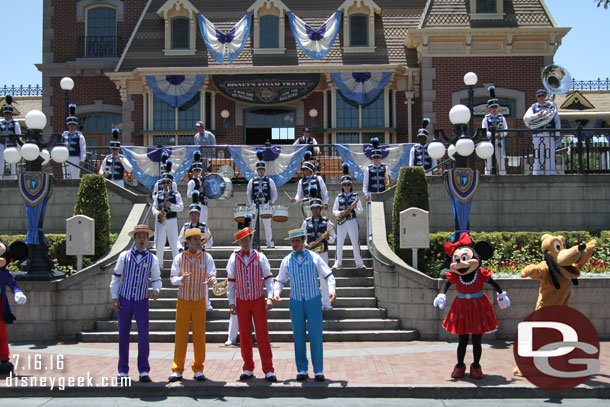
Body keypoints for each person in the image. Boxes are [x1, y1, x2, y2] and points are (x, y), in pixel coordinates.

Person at [273, 229, 336, 382]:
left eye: (297, 241)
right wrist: (276, 292)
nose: (294, 244)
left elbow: (328, 274)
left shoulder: (314, 257)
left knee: (315, 334)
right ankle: (302, 369)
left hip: (313, 299)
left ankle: (318, 370)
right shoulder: (287, 260)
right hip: (295, 301)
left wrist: (332, 290)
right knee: (298, 335)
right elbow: (280, 279)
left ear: (303, 241)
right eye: (292, 241)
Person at [109, 225, 161, 382]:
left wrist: (156, 290)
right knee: (123, 334)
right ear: (134, 238)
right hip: (125, 299)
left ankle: (144, 370)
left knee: (143, 335)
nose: (142, 239)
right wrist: (114, 297)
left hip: (141, 300)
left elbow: (156, 278)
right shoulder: (124, 256)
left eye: (145, 236)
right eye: (139, 236)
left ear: (148, 238)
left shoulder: (153, 258)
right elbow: (116, 277)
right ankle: (122, 370)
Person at [227, 222, 277, 382]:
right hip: (241, 300)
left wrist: (270, 296)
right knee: (245, 336)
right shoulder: (234, 258)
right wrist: (231, 302)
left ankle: (268, 369)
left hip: (257, 299)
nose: (245, 242)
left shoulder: (260, 256)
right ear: (239, 243)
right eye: (242, 240)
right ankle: (248, 367)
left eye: (247, 239)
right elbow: (231, 282)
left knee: (262, 334)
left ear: (251, 239)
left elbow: (269, 279)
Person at [169, 228, 216, 382]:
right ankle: (177, 369)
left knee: (199, 334)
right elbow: (172, 278)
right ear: (188, 241)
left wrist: (211, 281)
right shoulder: (179, 258)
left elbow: (212, 275)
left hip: (199, 300)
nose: (198, 241)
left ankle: (198, 368)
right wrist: (181, 279)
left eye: (199, 239)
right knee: (181, 334)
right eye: (195, 239)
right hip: (183, 299)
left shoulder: (207, 257)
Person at [301, 187, 336, 310]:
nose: (315, 210)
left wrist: (327, 238)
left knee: (323, 276)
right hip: (310, 252)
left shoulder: (326, 222)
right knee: (309, 278)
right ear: (311, 210)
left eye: (317, 208)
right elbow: (302, 236)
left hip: (322, 252)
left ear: (320, 209)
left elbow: (333, 239)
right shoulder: (306, 222)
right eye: (313, 208)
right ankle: (310, 303)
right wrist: (304, 243)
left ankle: (326, 303)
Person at [178, 203, 214, 311]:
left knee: (203, 280)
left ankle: (206, 304)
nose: (194, 215)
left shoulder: (203, 226)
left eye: (196, 213)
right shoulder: (185, 227)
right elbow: (179, 240)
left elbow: (210, 242)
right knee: (187, 279)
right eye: (192, 213)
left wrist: (204, 246)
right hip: (187, 256)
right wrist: (181, 250)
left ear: (199, 215)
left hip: (200, 256)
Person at [0, 241, 28, 375]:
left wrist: (18, 292)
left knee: (2, 335)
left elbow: (13, 284)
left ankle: (3, 359)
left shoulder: (4, 274)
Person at [333, 164, 365, 272]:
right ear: (342, 186)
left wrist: (355, 208)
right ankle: (338, 262)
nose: (346, 186)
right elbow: (334, 211)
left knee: (355, 241)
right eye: (345, 184)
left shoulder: (355, 196)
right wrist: (340, 213)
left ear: (351, 185)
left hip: (352, 220)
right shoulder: (338, 197)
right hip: (342, 221)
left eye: (348, 184)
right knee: (339, 242)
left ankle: (359, 263)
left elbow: (360, 211)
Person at [523, 89, 561, 175]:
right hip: (538, 133)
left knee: (550, 153)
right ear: (536, 97)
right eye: (539, 96)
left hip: (549, 133)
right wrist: (537, 115)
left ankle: (552, 172)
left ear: (545, 96)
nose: (541, 98)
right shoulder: (533, 107)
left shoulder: (551, 106)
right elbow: (526, 118)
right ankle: (537, 172)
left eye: (543, 96)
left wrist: (557, 133)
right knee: (538, 153)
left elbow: (557, 120)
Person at [151, 173, 183, 269]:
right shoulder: (159, 194)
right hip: (161, 220)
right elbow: (154, 207)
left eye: (168, 182)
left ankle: (177, 266)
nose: (166, 184)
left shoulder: (176, 194)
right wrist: (157, 213)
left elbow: (181, 207)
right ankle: (159, 265)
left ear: (171, 183)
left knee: (174, 243)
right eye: (164, 182)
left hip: (171, 220)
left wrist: (171, 206)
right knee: (160, 243)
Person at [247, 152, 277, 248]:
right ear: (257, 170)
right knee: (254, 224)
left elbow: (274, 191)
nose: (261, 171)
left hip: (265, 204)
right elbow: (249, 192)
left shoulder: (269, 180)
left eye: (262, 169)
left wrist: (272, 201)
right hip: (255, 204)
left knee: (267, 224)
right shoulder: (252, 180)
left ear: (264, 170)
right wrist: (251, 202)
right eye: (259, 169)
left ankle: (269, 242)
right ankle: (253, 242)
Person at [482, 87, 508, 175]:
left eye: (495, 107)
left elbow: (506, 130)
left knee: (501, 160)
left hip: (499, 141)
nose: (494, 109)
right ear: (489, 108)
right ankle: (487, 176)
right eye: (492, 107)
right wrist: (492, 135)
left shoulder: (501, 117)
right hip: (489, 142)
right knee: (488, 161)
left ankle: (503, 176)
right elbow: (484, 131)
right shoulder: (486, 118)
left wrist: (501, 134)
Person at [61, 104, 87, 179]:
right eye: (70, 125)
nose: (72, 126)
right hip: (65, 158)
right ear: (68, 125)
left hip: (75, 158)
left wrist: (82, 160)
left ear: (76, 126)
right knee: (65, 176)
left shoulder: (79, 136)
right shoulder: (64, 135)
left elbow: (83, 149)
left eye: (73, 125)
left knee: (75, 177)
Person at [0, 96, 20, 180]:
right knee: (0, 163)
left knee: (12, 163)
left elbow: (18, 135)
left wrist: (18, 148)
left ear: (11, 114)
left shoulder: (16, 124)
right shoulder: (1, 123)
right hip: (1, 144)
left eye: (8, 113)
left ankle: (14, 179)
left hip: (11, 145)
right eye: (6, 113)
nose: (7, 115)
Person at [187, 161, 210, 225]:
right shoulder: (192, 182)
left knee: (205, 223)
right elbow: (188, 194)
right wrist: (198, 191)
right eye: (195, 171)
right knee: (200, 223)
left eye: (199, 171)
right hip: (197, 204)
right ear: (193, 171)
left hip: (204, 203)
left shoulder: (202, 180)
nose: (197, 173)